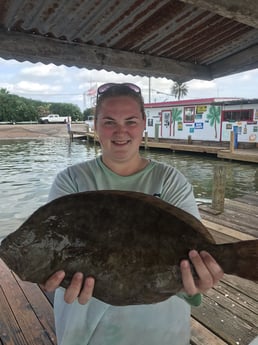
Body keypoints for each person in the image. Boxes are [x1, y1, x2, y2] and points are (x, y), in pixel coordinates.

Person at [42, 83, 224, 345]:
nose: (120, 131)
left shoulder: (170, 181)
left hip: (157, 325)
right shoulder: (71, 180)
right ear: (94, 125)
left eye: (130, 121)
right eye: (109, 122)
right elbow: (56, 247)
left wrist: (201, 274)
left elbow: (194, 248)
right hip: (86, 320)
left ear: (143, 124)